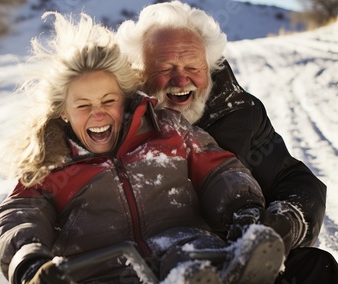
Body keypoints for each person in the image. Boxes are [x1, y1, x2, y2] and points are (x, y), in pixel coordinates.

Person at [0, 12, 286, 284]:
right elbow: (17, 214)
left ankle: (234, 271)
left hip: (189, 251)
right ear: (63, 112)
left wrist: (242, 209)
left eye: (108, 100)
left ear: (124, 98)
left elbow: (218, 169)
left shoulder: (167, 131)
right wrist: (29, 261)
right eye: (83, 105)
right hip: (105, 271)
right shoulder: (53, 164)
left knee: (190, 258)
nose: (99, 113)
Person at [116, 1, 337, 283]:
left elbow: (290, 177)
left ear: (210, 67)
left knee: (316, 267)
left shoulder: (240, 113)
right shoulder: (114, 121)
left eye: (192, 66)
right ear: (139, 72)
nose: (181, 79)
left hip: (233, 257)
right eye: (165, 67)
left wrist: (283, 222)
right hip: (154, 263)